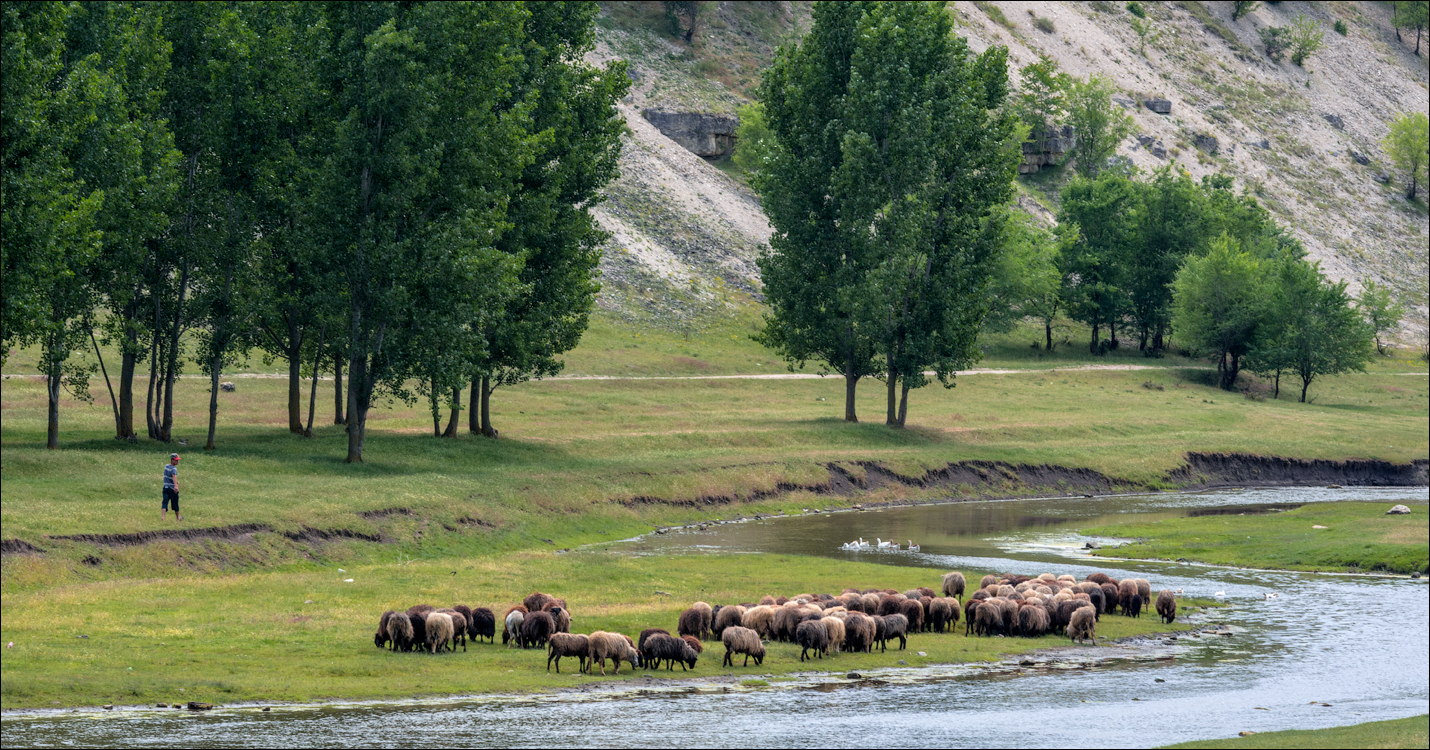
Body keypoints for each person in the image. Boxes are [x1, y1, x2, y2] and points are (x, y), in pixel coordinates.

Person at [162, 453, 183, 522]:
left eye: (178, 460)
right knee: (175, 502)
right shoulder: (174, 468)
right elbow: (174, 476)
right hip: (172, 488)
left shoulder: (166, 466)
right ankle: (177, 518)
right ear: (172, 460)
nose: (177, 461)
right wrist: (176, 486)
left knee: (165, 502)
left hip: (165, 487)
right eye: (176, 460)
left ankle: (163, 517)